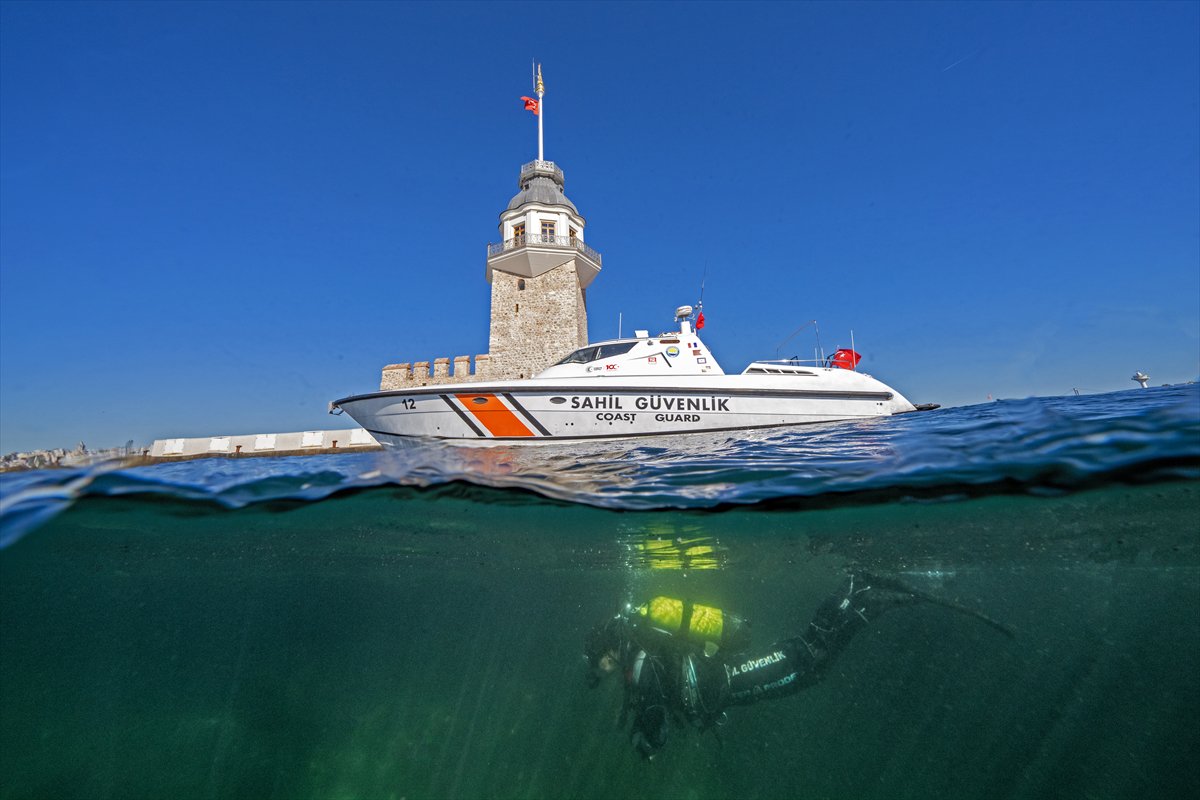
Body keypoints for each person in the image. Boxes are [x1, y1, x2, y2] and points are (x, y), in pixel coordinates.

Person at [584, 570, 1012, 759]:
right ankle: (861, 598)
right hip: (728, 678)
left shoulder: (637, 664)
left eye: (600, 660)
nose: (603, 669)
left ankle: (855, 591)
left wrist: (646, 744)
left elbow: (656, 722)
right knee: (808, 659)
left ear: (609, 648)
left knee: (807, 660)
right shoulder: (641, 655)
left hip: (731, 679)